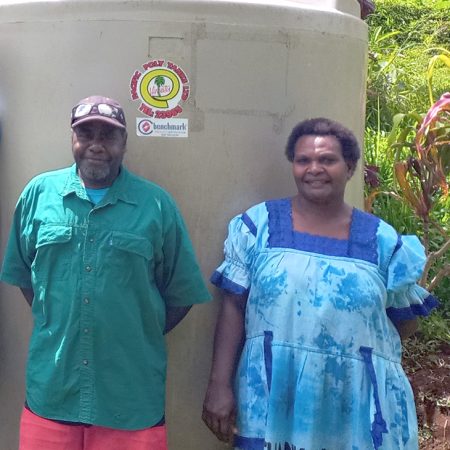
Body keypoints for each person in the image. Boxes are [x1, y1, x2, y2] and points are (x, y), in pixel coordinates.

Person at [202, 118, 439, 450]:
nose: (314, 168)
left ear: (350, 167)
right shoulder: (258, 227)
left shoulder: (383, 242)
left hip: (355, 406)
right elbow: (232, 307)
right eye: (303, 160)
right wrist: (219, 384)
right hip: (274, 396)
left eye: (327, 160)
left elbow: (405, 323)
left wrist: (348, 350)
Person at [0, 95, 211, 450]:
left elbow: (180, 293)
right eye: (86, 134)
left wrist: (133, 328)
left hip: (130, 400)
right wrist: (61, 316)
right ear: (72, 139)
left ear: (123, 142)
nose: (96, 145)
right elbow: (26, 276)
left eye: (108, 135)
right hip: (52, 393)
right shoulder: (38, 194)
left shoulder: (155, 205)